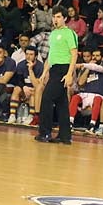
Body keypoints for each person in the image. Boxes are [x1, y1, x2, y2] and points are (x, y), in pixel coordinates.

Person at [35, 8, 78, 144]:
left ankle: (45, 133)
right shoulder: (53, 34)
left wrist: (69, 74)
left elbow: (74, 53)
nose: (55, 19)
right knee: (61, 103)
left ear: (65, 18)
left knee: (47, 98)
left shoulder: (69, 33)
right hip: (54, 69)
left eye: (58, 17)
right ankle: (65, 136)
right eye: (54, 17)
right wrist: (44, 72)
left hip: (63, 69)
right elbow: (51, 55)